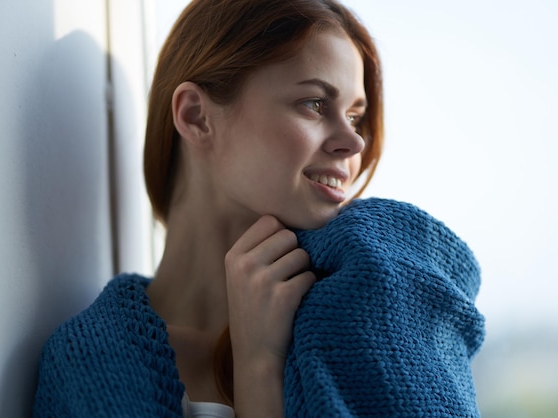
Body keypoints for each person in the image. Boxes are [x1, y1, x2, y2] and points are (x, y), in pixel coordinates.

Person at [33, 0, 485, 417]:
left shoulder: (378, 310)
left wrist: (261, 369)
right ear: (195, 116)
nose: (354, 142)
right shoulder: (86, 362)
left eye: (354, 115)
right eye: (314, 103)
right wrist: (256, 365)